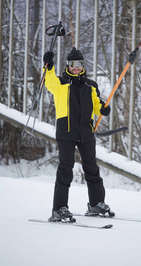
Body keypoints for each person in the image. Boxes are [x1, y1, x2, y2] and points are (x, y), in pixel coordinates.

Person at [43, 47, 115, 222]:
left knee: (91, 168)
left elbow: (96, 104)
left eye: (79, 64)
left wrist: (103, 108)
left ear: (83, 65)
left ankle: (96, 203)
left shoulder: (91, 85)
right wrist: (48, 66)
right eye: (73, 64)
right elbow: (49, 81)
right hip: (66, 132)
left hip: (86, 132)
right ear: (68, 65)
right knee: (65, 169)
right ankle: (59, 208)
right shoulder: (60, 83)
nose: (76, 67)